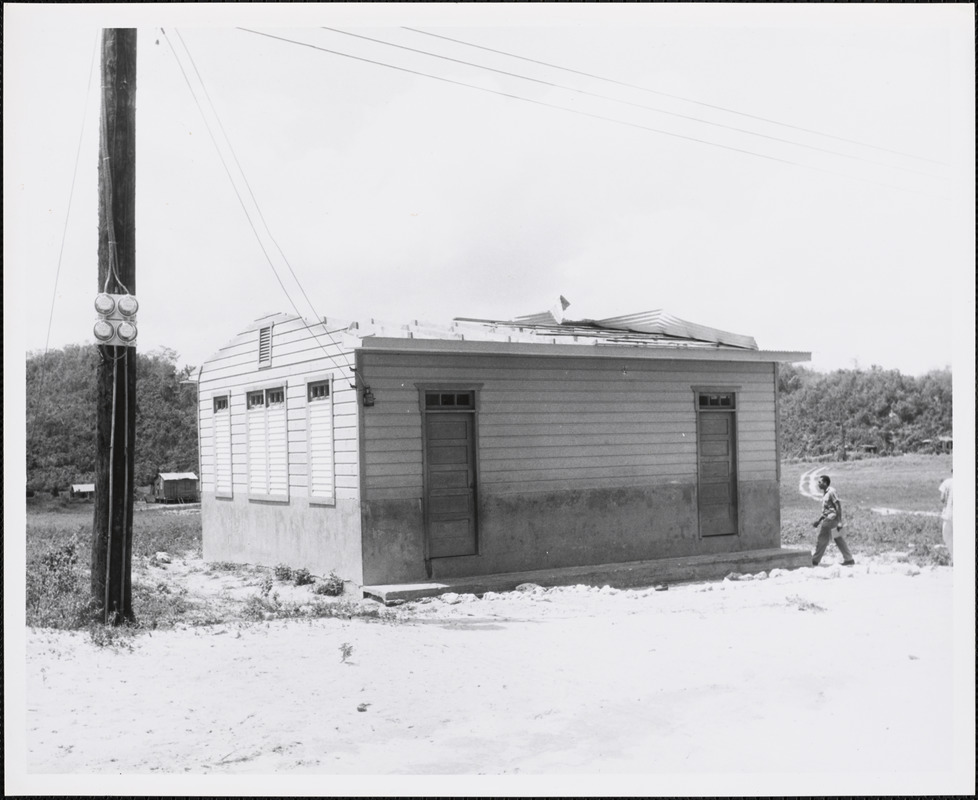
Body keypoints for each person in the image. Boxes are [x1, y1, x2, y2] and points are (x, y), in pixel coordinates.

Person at [811, 474, 855, 566]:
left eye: (820, 482)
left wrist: (839, 522)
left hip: (831, 519)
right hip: (830, 518)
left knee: (822, 539)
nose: (818, 484)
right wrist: (818, 521)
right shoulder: (825, 493)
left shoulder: (831, 492)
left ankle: (815, 560)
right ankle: (849, 559)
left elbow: (838, 506)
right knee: (838, 538)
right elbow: (827, 510)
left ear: (825, 483)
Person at [939, 476, 953, 559]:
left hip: (949, 514)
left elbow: (942, 499)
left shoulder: (947, 482)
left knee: (947, 536)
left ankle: (954, 557)